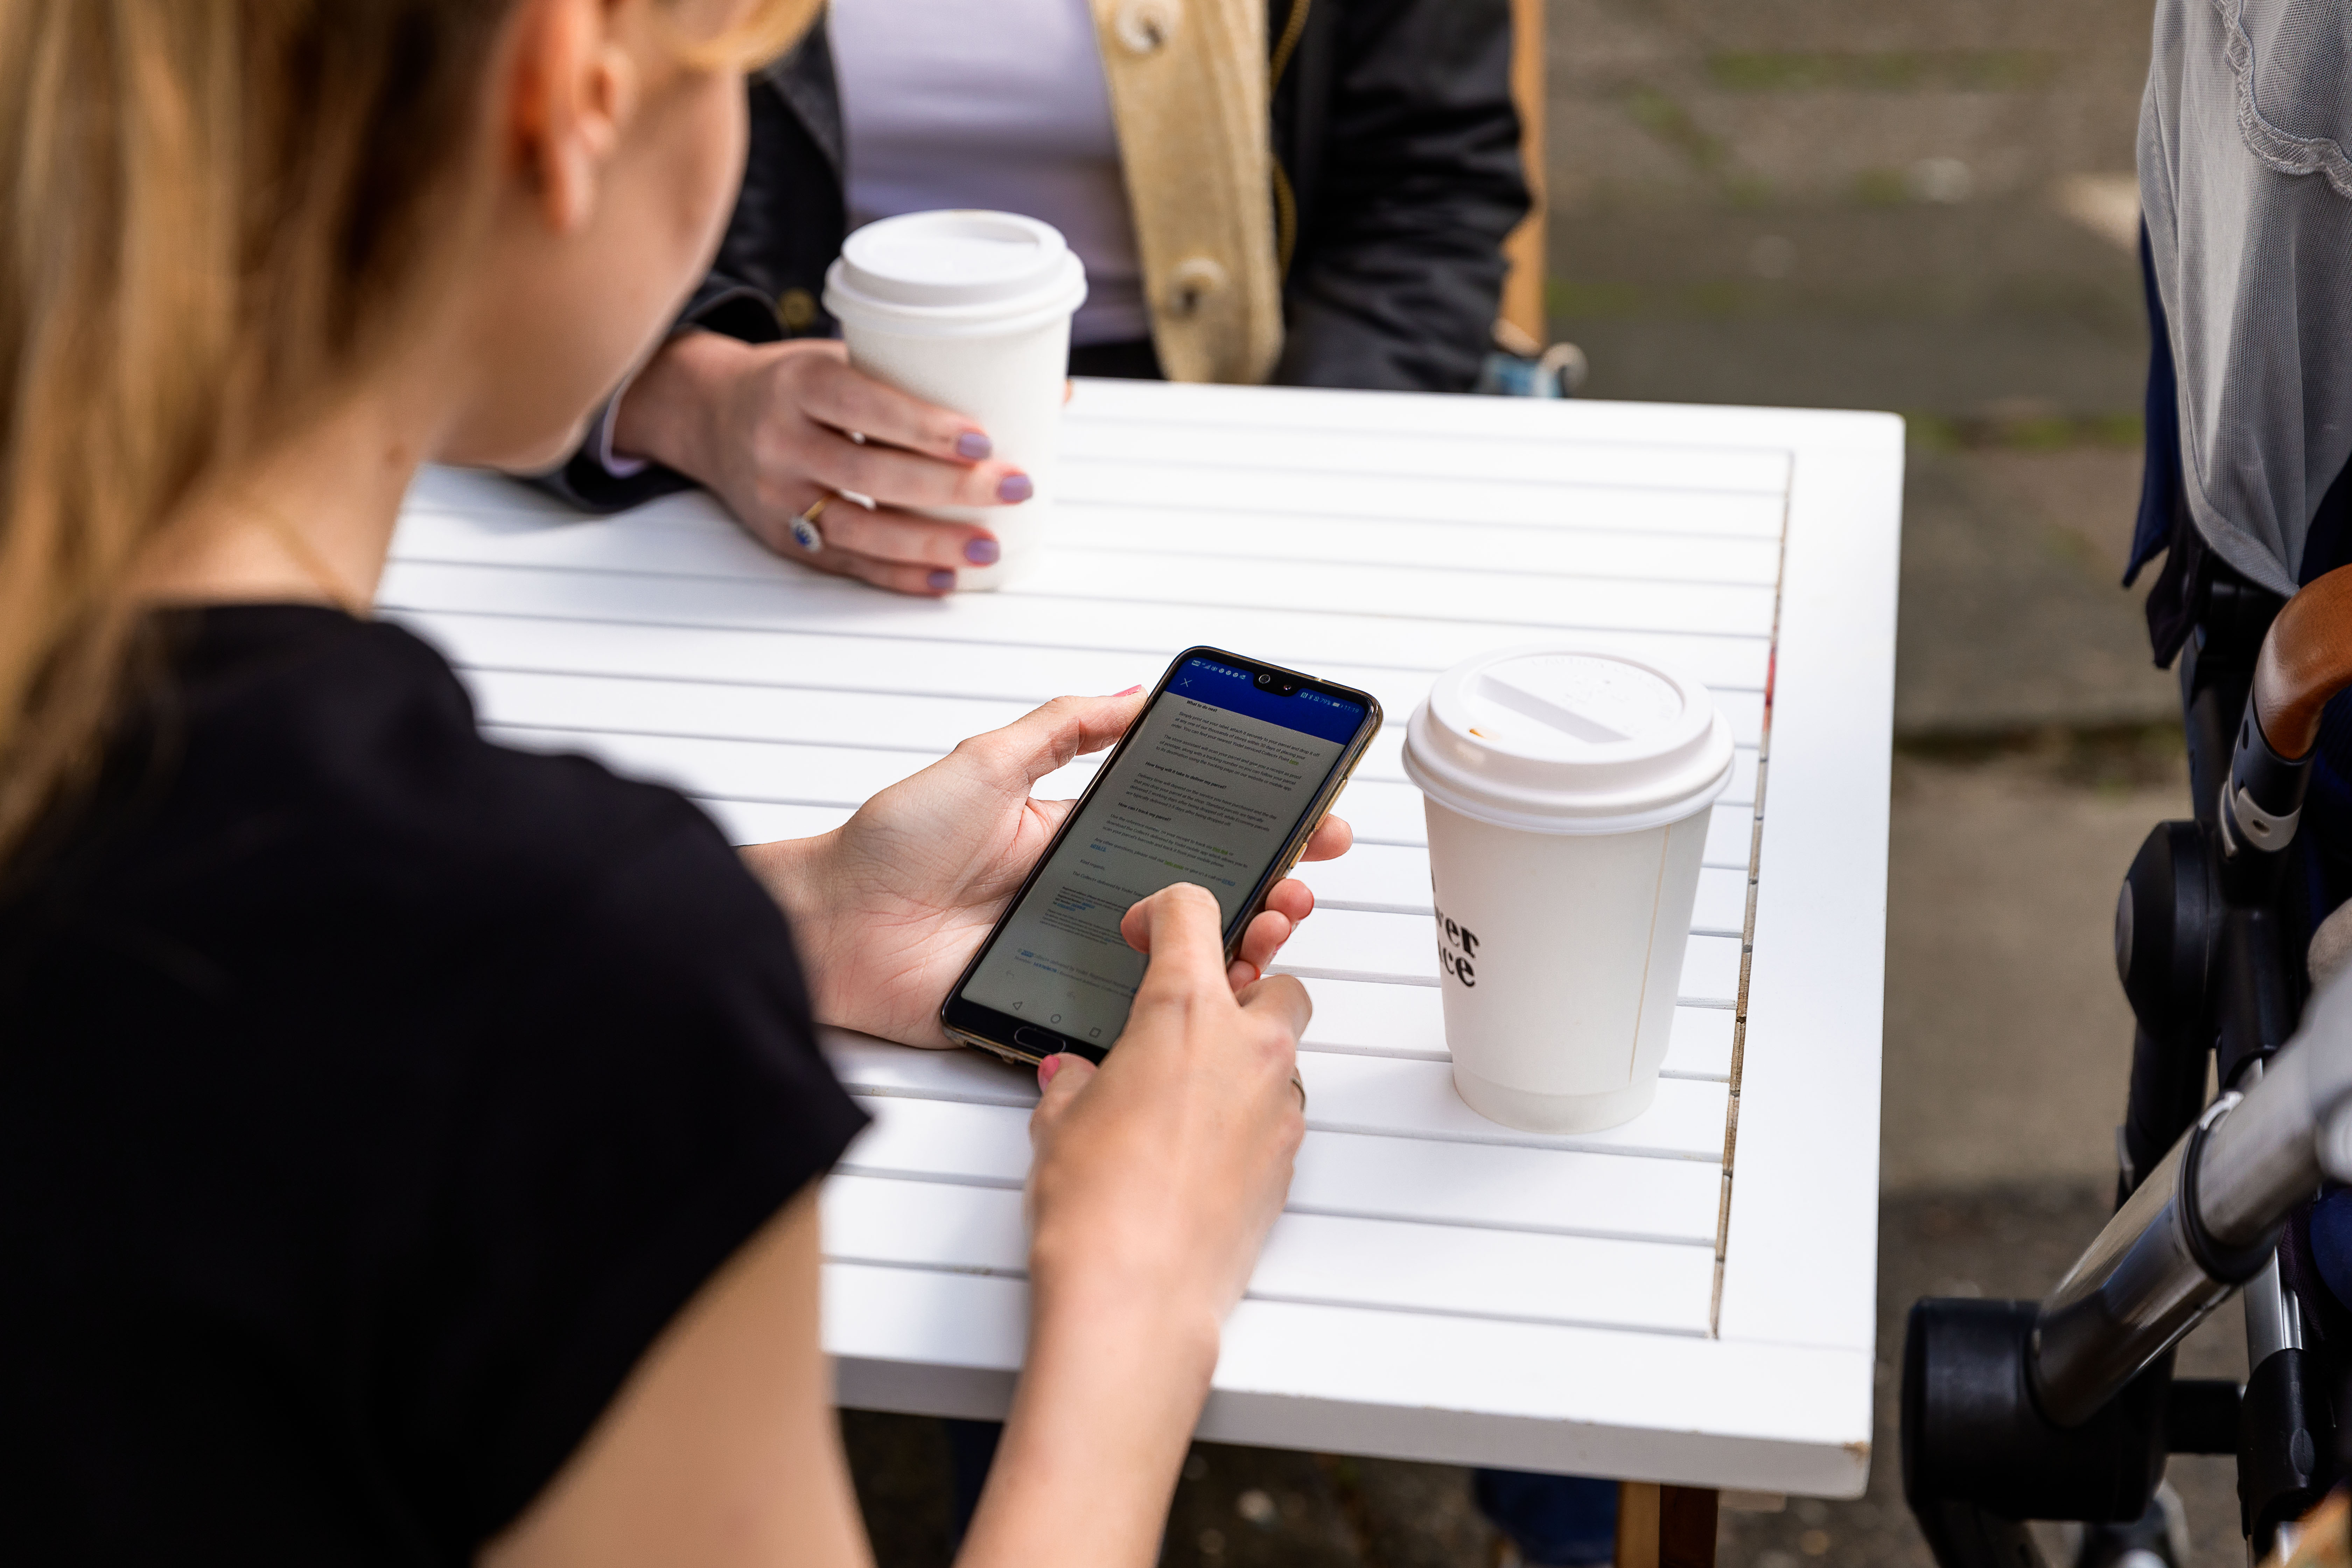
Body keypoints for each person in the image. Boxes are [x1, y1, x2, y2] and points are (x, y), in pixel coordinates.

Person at [0, 1, 1355, 1561]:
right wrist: (1147, 1276)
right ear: (567, 92)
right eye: (739, 72)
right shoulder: (576, 972)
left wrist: (792, 916)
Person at [537, 0, 1533, 594]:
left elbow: (1430, 194)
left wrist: (1291, 473)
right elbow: (464, 192)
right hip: (748, 454)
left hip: (1250, 431)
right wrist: (693, 388)